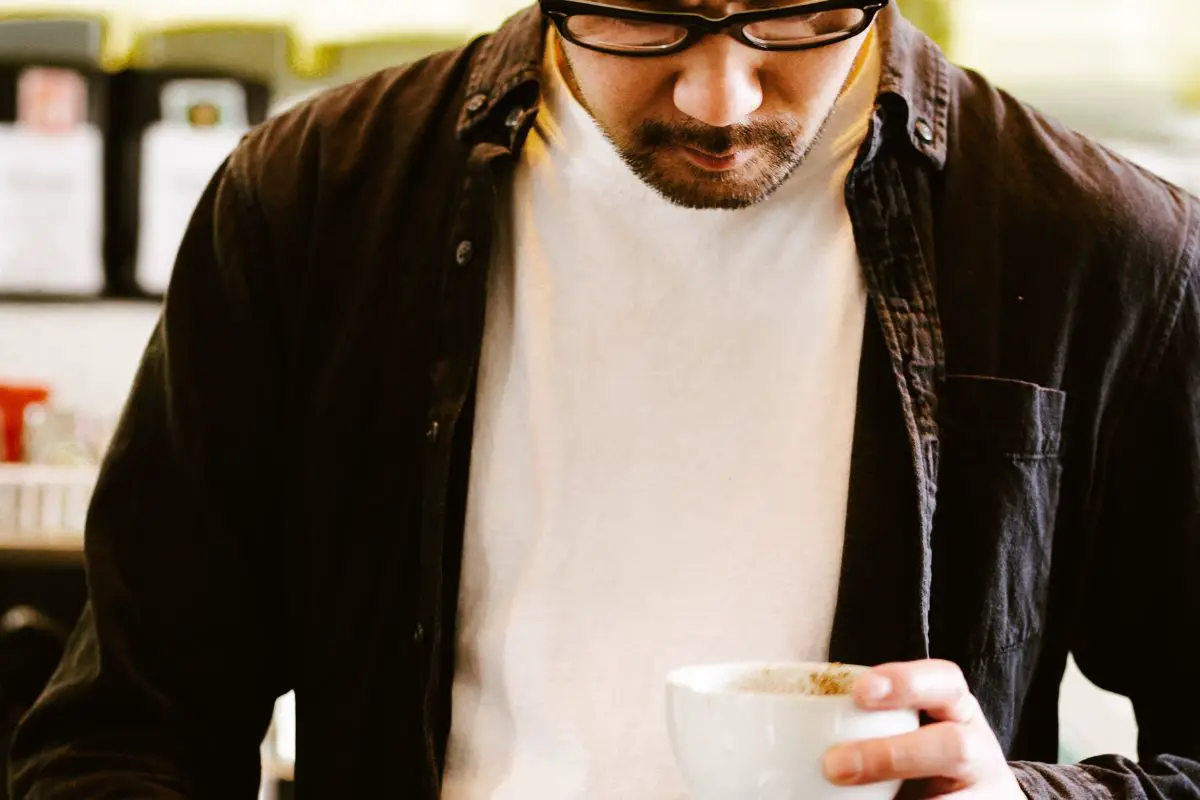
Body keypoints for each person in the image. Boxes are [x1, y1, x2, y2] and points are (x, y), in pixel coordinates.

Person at [8, 1, 1200, 798]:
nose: (719, 96)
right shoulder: (313, 205)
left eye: (796, 8)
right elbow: (127, 725)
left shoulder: (1104, 246)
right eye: (643, 9)